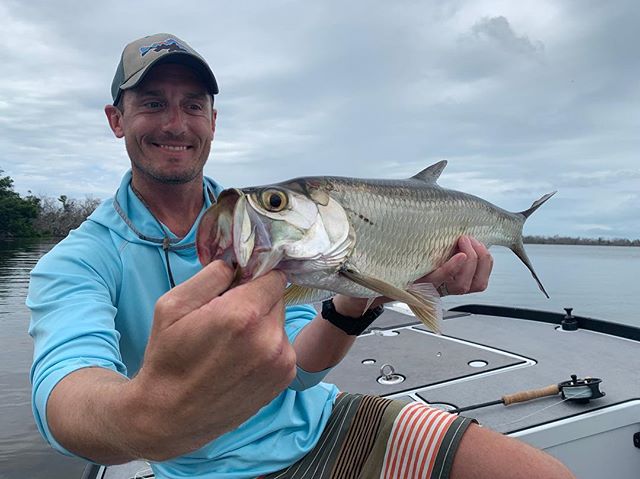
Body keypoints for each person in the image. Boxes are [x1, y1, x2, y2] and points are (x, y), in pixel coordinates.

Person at [27, 33, 574, 479]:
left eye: (193, 105)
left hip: (328, 421)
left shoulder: (270, 230)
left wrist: (362, 296)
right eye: (152, 103)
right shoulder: (78, 260)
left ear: (213, 121)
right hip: (207, 470)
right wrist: (144, 420)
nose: (176, 123)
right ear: (115, 119)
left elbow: (300, 374)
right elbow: (65, 390)